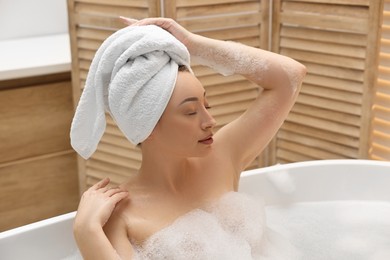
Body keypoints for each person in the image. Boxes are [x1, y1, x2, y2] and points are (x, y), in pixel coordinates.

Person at [72, 17, 306, 260]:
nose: (209, 121)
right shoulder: (121, 215)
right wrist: (87, 233)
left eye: (207, 104)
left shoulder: (222, 156)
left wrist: (193, 46)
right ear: (148, 127)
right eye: (191, 112)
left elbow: (289, 77)